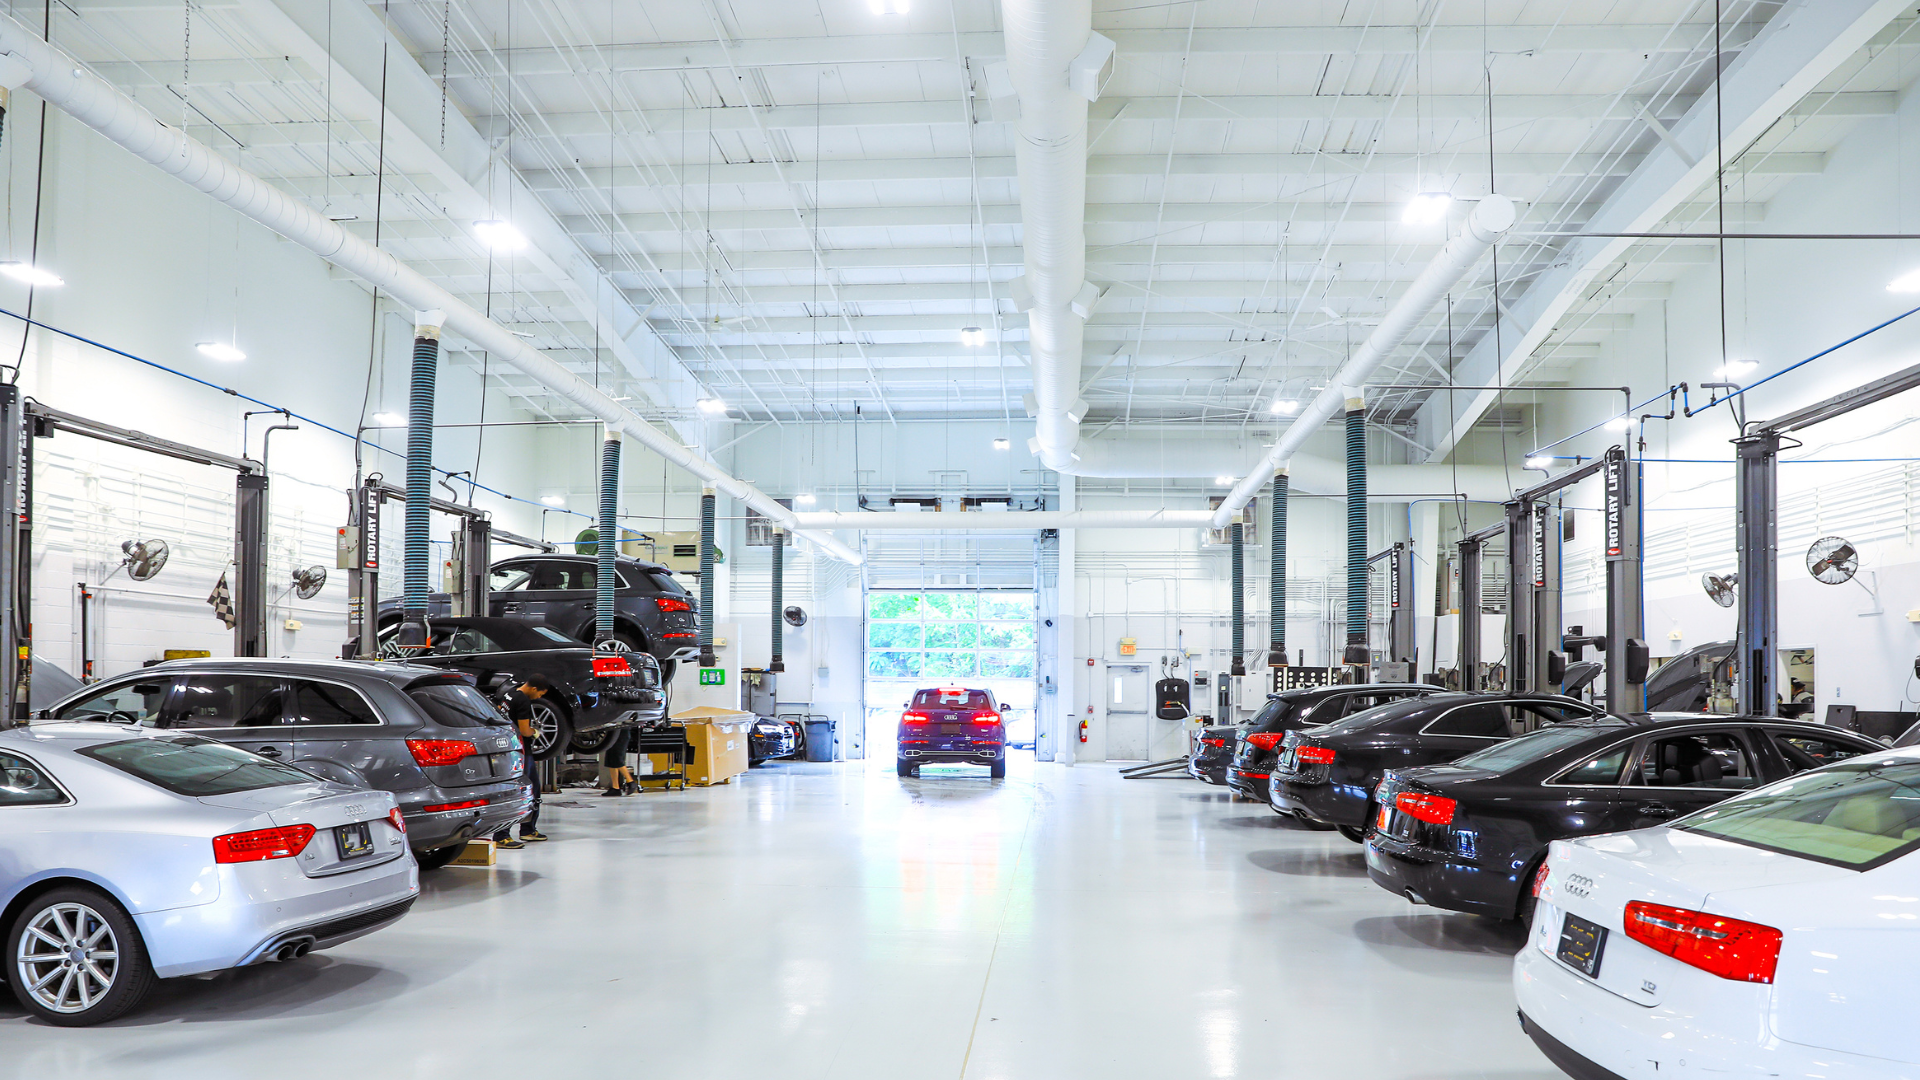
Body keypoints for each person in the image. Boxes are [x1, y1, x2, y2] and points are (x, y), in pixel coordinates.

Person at [494, 676, 554, 848]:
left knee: (528, 789)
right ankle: (502, 835)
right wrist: (535, 732)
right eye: (541, 693)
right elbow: (525, 731)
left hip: (508, 749)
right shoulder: (523, 702)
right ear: (534, 688)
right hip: (521, 751)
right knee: (525, 792)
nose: (540, 697)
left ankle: (527, 830)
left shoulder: (509, 694)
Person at [601, 724, 636, 797]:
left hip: (621, 734)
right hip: (612, 735)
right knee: (610, 760)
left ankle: (631, 782)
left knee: (618, 760)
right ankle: (615, 787)